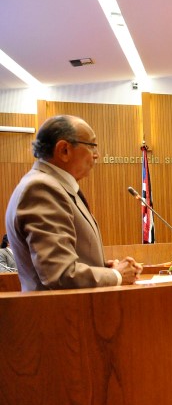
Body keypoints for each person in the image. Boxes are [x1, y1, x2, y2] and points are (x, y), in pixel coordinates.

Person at [5, 115, 141, 291]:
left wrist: (103, 269)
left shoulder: (56, 186)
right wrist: (117, 275)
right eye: (92, 146)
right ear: (64, 150)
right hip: (61, 315)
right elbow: (60, 274)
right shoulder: (42, 188)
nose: (96, 155)